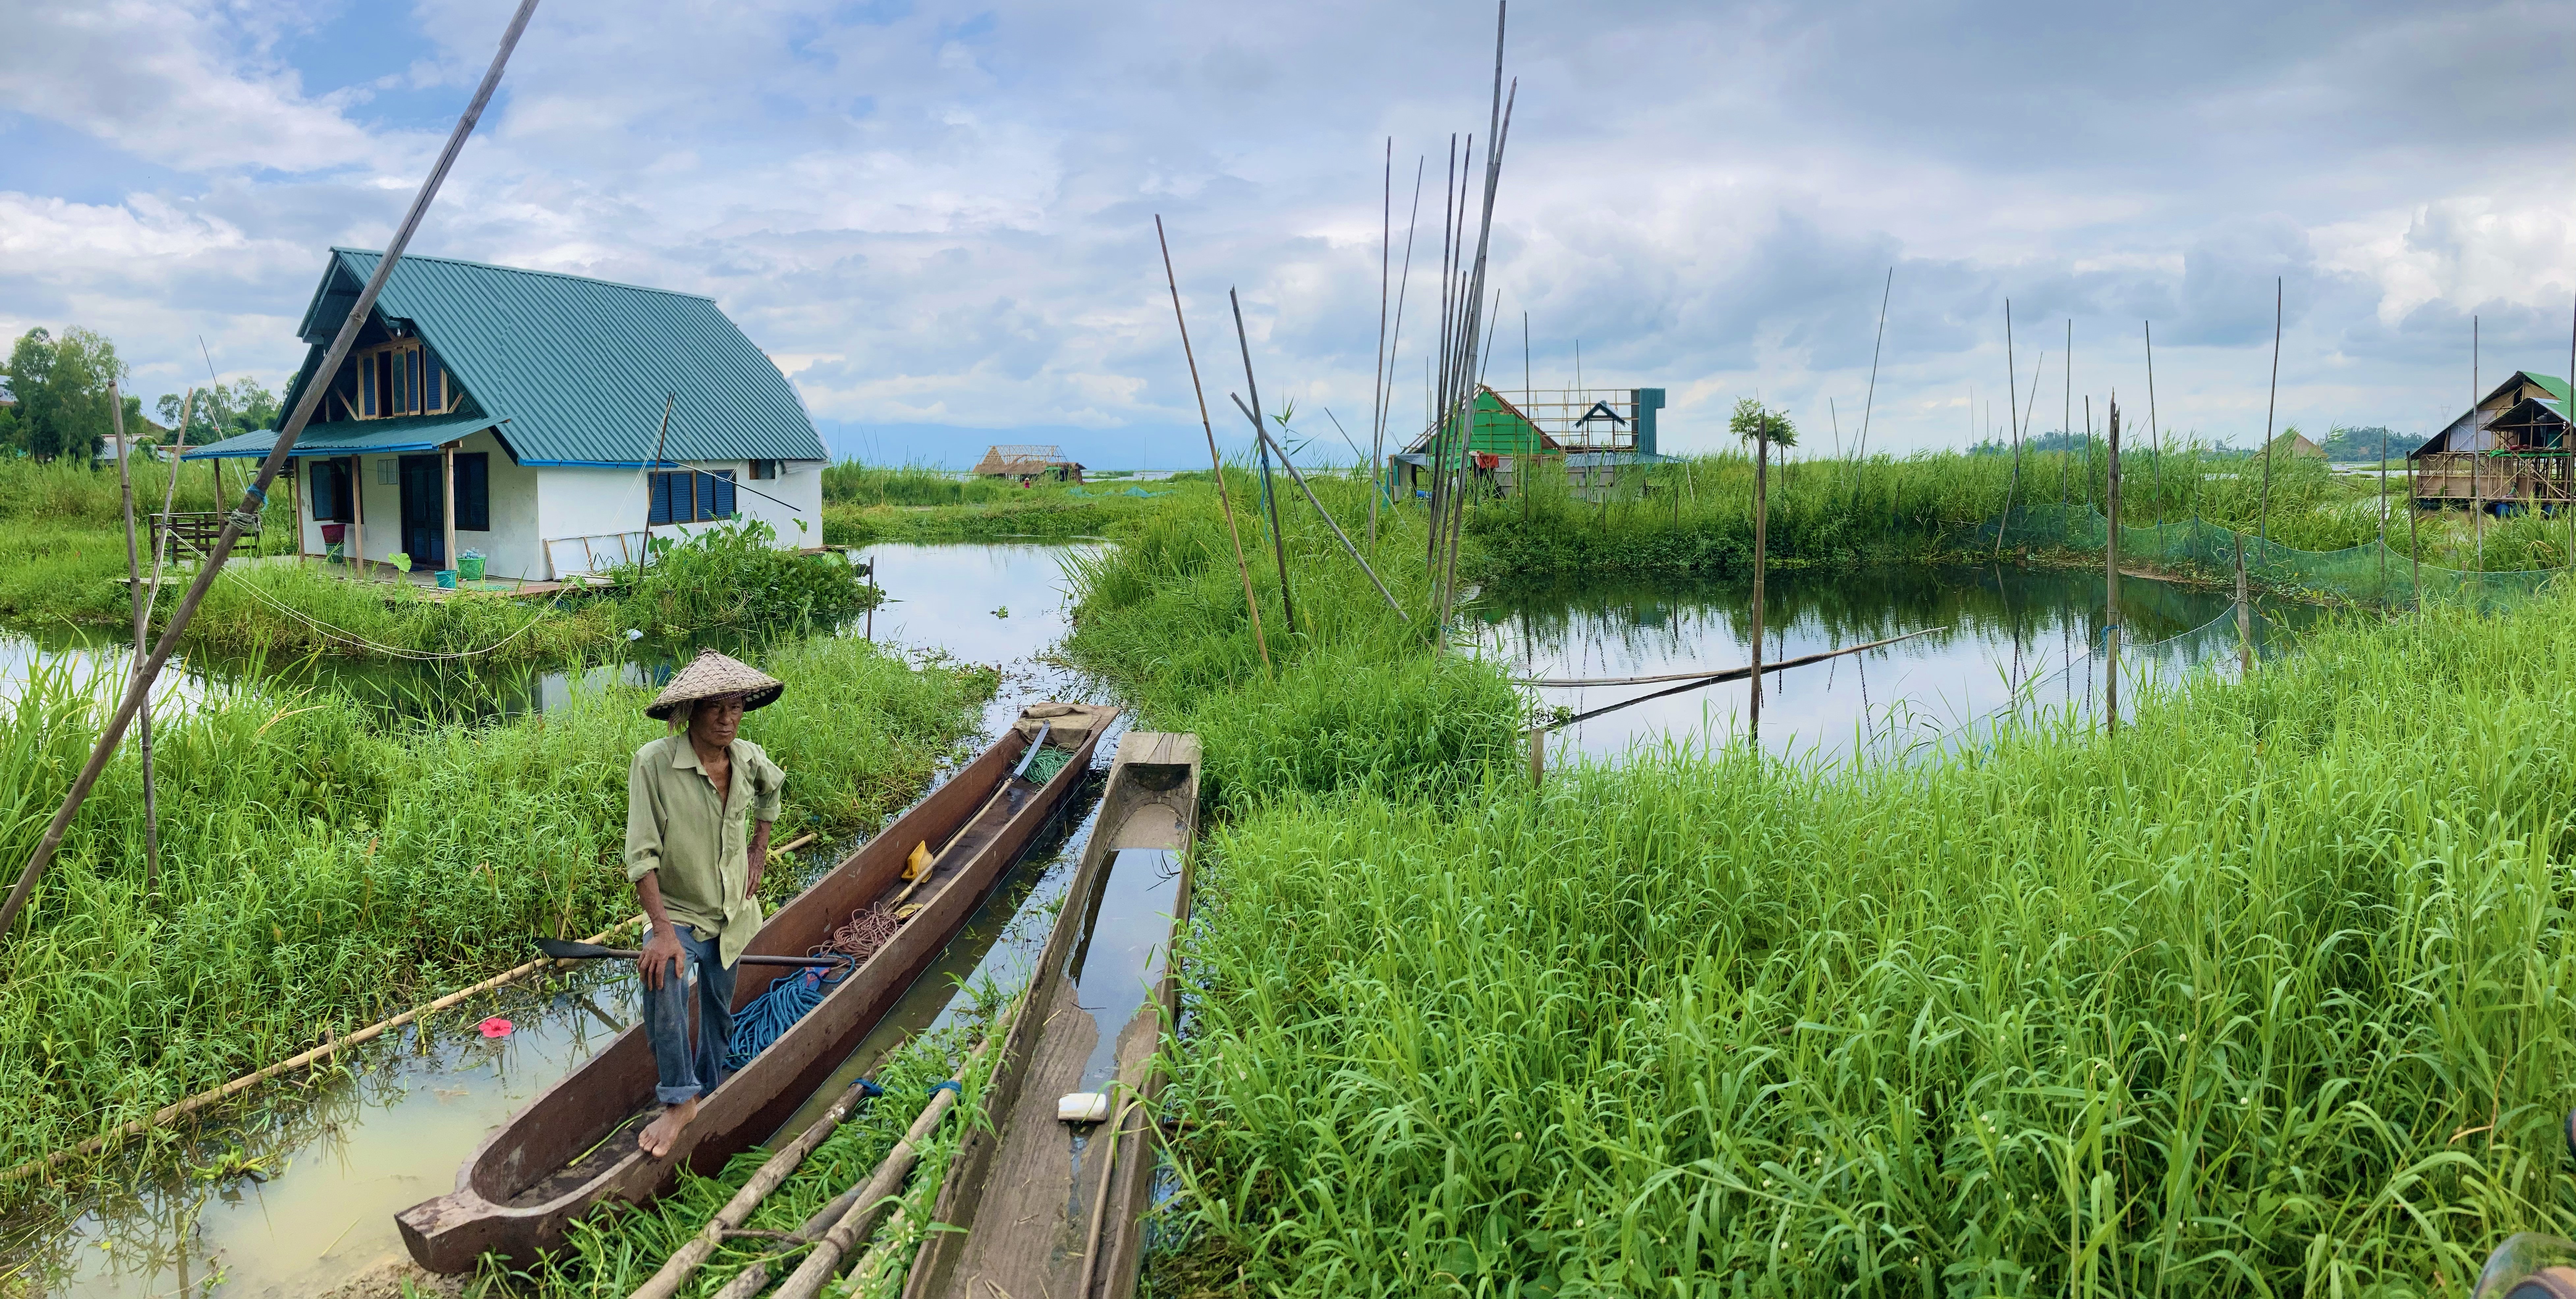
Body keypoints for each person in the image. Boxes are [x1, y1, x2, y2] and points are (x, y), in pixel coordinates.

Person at [624, 649, 787, 1159]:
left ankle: (711, 1092)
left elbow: (773, 788)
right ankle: (680, 1098)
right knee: (664, 979)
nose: (726, 718)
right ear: (690, 711)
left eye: (735, 707)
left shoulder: (747, 758)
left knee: (718, 1011)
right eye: (715, 707)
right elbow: (641, 859)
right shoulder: (654, 764)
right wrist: (661, 931)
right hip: (679, 914)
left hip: (731, 913)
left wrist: (759, 848)